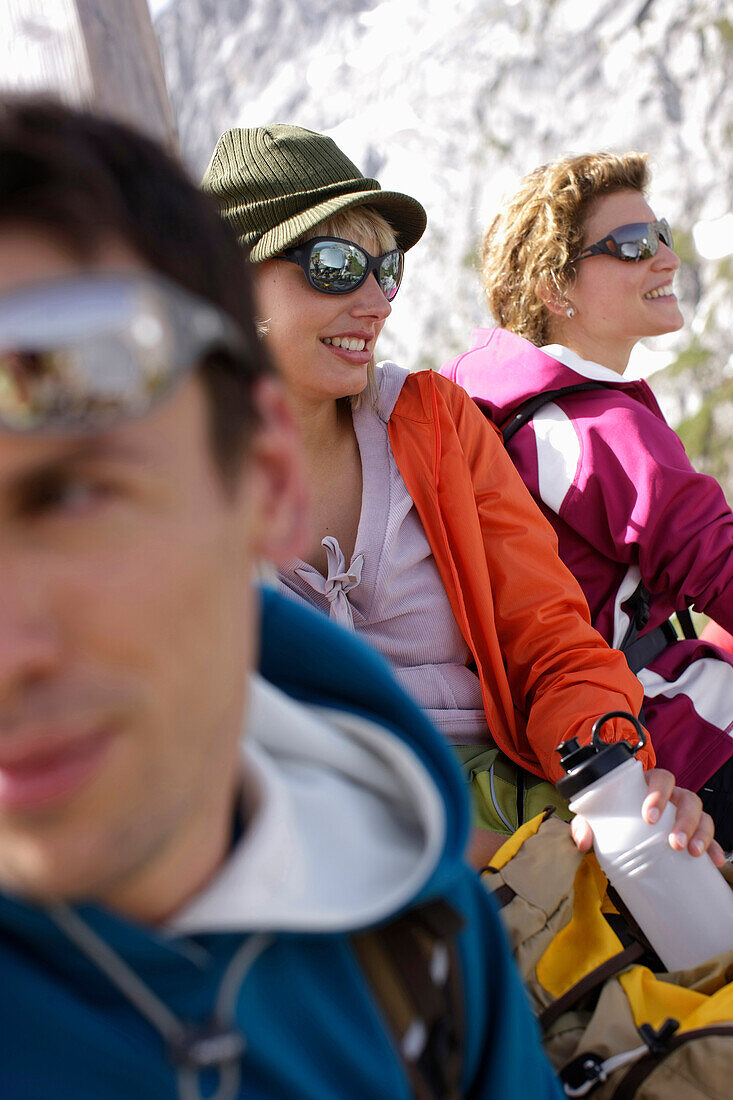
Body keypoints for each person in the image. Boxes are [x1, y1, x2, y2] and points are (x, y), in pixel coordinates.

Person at [0, 96, 573, 1100]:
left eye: (78, 497)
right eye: (332, 265)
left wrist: (610, 759)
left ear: (263, 482)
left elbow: (546, 619)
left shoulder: (418, 933)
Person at [203, 125, 718, 867]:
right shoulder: (178, 476)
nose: (374, 301)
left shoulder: (435, 422)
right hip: (334, 839)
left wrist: (619, 777)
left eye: (385, 269)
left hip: (523, 795)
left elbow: (546, 636)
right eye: (334, 265)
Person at [441, 151, 733, 847]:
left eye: (659, 234)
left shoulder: (490, 401)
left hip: (602, 739)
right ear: (553, 288)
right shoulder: (594, 427)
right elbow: (719, 566)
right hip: (678, 733)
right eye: (632, 247)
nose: (666, 258)